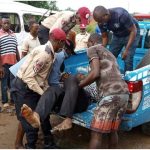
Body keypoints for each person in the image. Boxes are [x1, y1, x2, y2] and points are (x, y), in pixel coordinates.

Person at [11, 28, 66, 149]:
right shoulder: (44, 54)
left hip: (32, 86)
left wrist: (46, 90)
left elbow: (42, 77)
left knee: (43, 114)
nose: (63, 46)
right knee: (30, 123)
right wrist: (43, 93)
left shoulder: (51, 53)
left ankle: (48, 143)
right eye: (63, 43)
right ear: (58, 41)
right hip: (24, 87)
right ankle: (30, 146)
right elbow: (29, 78)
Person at [78, 33, 129, 149]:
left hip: (110, 95)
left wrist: (79, 86)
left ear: (90, 42)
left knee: (96, 133)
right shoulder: (110, 53)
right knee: (113, 130)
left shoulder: (92, 49)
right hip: (124, 94)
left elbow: (95, 73)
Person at [93, 6, 140, 73]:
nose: (100, 23)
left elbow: (133, 30)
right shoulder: (100, 21)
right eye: (98, 22)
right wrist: (102, 49)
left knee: (128, 58)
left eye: (101, 21)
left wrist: (126, 50)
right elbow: (104, 37)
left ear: (106, 15)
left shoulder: (121, 14)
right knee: (110, 56)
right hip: (117, 35)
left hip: (132, 33)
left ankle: (128, 80)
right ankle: (111, 76)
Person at [0, 16, 20, 107]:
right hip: (4, 64)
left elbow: (15, 49)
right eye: (5, 23)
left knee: (13, 83)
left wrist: (19, 62)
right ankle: (4, 101)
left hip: (14, 64)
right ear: (1, 23)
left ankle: (12, 100)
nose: (7, 24)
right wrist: (0, 67)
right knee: (4, 84)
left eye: (8, 23)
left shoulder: (13, 34)